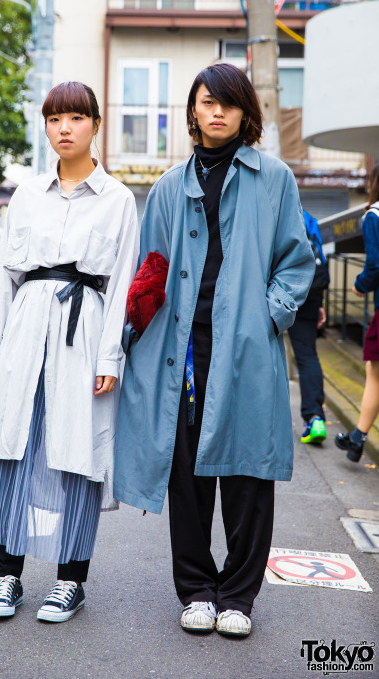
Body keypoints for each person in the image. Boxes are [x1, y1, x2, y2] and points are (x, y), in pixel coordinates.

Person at [114, 63, 315, 638]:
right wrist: (128, 340)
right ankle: (197, 589)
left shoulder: (273, 177)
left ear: (246, 112)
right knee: (187, 475)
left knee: (248, 473)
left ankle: (239, 597)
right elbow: (148, 269)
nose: (217, 111)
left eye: (228, 103)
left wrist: (267, 315)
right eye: (207, 102)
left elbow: (297, 261)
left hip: (246, 347)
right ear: (193, 112)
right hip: (182, 349)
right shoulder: (170, 186)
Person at [0, 82, 138, 623]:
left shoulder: (118, 199)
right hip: (26, 328)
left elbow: (119, 285)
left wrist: (109, 358)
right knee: (12, 449)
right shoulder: (26, 194)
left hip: (84, 332)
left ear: (95, 123)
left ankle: (71, 580)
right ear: (45, 127)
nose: (64, 128)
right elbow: (4, 277)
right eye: (54, 119)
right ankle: (7, 577)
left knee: (79, 455)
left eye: (75, 117)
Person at [335, 162, 379, 463]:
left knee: (374, 374)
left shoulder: (373, 216)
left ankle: (357, 438)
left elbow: (375, 264)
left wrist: (360, 285)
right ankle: (357, 438)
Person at [288, 209, 329, 444]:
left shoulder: (272, 210)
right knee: (307, 356)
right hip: (311, 293)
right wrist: (319, 302)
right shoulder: (309, 217)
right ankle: (315, 419)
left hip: (278, 290)